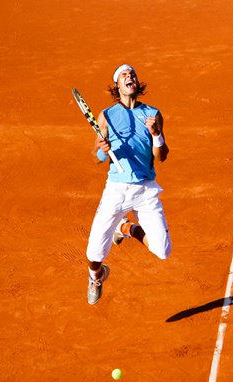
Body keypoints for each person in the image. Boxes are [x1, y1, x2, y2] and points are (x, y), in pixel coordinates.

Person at [85, 64, 172, 305]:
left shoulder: (153, 114)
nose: (129, 76)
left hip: (146, 189)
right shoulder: (107, 116)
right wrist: (103, 152)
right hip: (116, 190)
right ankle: (97, 276)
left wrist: (156, 134)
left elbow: (162, 157)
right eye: (123, 74)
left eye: (132, 73)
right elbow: (95, 157)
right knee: (93, 254)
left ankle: (125, 229)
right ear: (118, 85)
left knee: (162, 252)